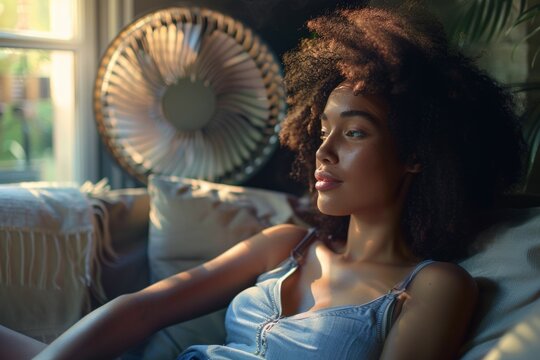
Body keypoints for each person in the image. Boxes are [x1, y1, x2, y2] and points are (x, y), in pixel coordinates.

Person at [0, 4, 527, 360]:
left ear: (416, 154)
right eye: (323, 130)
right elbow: (144, 308)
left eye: (355, 132)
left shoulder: (434, 287)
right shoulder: (287, 244)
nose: (324, 151)